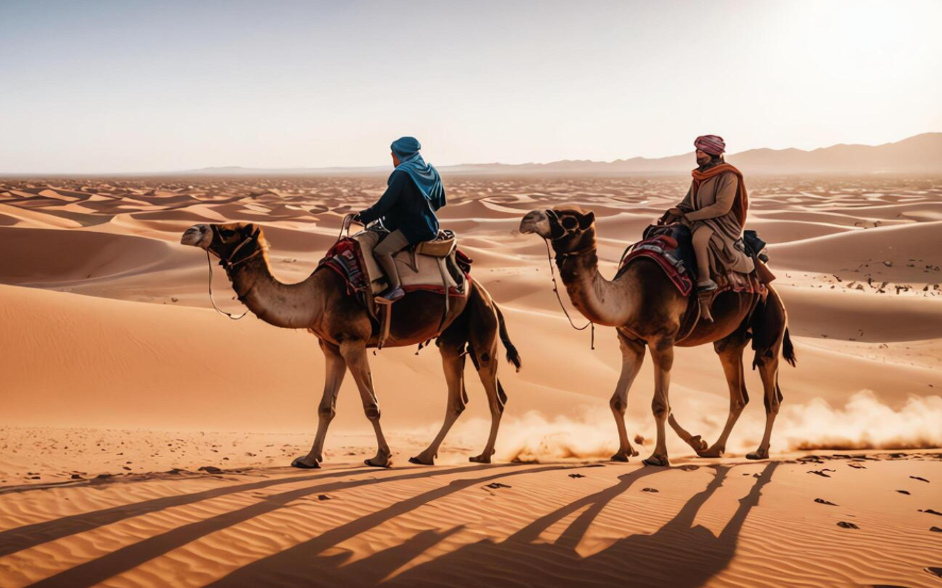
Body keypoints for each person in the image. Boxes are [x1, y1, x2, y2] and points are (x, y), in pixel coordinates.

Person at [354, 137, 446, 301]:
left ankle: (395, 288)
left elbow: (385, 204)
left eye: (394, 154)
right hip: (430, 223)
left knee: (380, 251)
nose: (392, 157)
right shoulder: (428, 171)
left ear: (400, 154)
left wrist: (363, 217)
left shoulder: (402, 174)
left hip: (413, 228)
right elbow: (438, 201)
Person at [664, 135, 753, 293]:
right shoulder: (699, 176)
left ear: (713, 153)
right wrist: (676, 211)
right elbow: (688, 203)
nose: (698, 156)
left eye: (702, 152)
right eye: (697, 152)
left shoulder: (728, 175)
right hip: (699, 218)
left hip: (720, 223)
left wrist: (690, 217)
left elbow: (721, 207)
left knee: (699, 239)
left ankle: (704, 280)